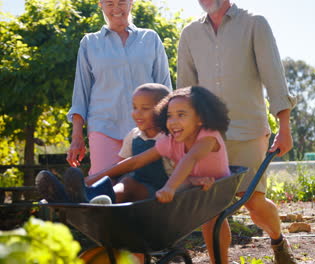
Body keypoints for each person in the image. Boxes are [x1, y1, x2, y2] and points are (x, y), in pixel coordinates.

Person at [176, 1, 297, 263]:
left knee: (254, 203)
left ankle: (277, 240)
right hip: (207, 137)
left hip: (248, 130)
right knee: (209, 211)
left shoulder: (254, 24)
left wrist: (284, 126)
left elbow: (274, 77)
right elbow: (185, 89)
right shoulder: (190, 33)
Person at [85, 86, 232, 264]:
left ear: (201, 118)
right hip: (187, 185)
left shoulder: (208, 137)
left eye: (181, 115)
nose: (173, 121)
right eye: (169, 115)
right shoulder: (170, 141)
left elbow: (191, 159)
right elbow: (136, 161)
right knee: (133, 191)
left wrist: (170, 187)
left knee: (213, 221)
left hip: (215, 188)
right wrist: (95, 177)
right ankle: (87, 193)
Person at [66, 0, 172, 178]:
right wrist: (77, 137)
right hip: (104, 126)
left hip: (147, 129)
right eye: (109, 3)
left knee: (145, 183)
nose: (116, 9)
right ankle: (73, 193)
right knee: (103, 182)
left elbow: (165, 88)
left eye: (121, 2)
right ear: (101, 5)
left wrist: (168, 128)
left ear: (131, 3)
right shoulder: (89, 43)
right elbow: (80, 94)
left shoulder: (150, 38)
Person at [36, 83, 171, 204]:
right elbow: (121, 168)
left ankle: (78, 196)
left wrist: (88, 180)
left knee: (128, 183)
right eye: (134, 107)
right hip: (132, 188)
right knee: (118, 183)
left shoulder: (169, 138)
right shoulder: (133, 136)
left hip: (158, 192)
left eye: (145, 108)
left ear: (163, 111)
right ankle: (74, 197)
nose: (137, 113)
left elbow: (133, 164)